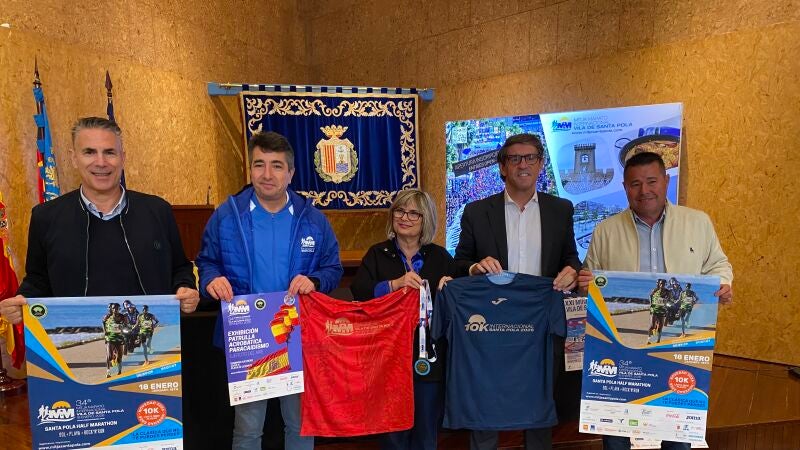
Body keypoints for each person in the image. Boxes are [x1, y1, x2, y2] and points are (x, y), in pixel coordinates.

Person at [196, 131, 343, 450]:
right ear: (250, 170)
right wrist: (211, 279)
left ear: (291, 173)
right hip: (248, 334)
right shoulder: (227, 216)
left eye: (276, 166)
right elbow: (207, 261)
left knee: (300, 424)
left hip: (297, 335)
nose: (267, 174)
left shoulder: (313, 220)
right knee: (248, 428)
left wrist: (315, 281)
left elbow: (333, 268)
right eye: (259, 164)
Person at [578, 151, 733, 450]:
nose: (644, 190)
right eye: (635, 184)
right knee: (616, 429)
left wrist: (723, 283)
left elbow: (718, 265)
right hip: (621, 342)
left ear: (666, 181)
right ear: (625, 187)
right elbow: (591, 278)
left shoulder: (697, 222)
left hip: (680, 342)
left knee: (677, 430)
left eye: (651, 181)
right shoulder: (606, 230)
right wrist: (585, 283)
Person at [0, 116, 199, 325]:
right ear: (74, 158)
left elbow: (180, 268)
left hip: (151, 337)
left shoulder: (158, 211)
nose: (101, 162)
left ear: (122, 157)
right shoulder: (46, 217)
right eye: (89, 152)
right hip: (74, 340)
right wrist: (23, 300)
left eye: (109, 152)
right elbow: (38, 279)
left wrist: (186, 288)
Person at [454, 133, 581, 450]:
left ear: (540, 164)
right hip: (492, 327)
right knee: (486, 406)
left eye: (530, 158)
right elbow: (459, 263)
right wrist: (474, 268)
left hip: (541, 325)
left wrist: (572, 271)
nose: (523, 164)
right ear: (502, 167)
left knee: (540, 407)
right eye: (514, 159)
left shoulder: (560, 209)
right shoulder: (476, 211)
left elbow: (570, 258)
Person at [350, 189, 457, 450]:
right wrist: (393, 285)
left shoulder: (440, 256)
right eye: (399, 210)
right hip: (387, 358)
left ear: (425, 219)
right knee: (392, 435)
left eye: (413, 213)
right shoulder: (378, 253)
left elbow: (456, 301)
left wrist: (450, 287)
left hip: (429, 358)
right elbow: (360, 290)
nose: (404, 217)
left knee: (426, 433)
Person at [102, 302, 128, 377]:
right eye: (113, 308)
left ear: (119, 309)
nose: (115, 310)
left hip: (119, 338)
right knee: (109, 356)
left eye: (117, 308)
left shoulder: (123, 317)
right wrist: (105, 331)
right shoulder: (107, 316)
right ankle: (108, 372)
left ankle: (119, 372)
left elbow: (126, 326)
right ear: (111, 309)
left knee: (119, 357)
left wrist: (123, 329)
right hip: (110, 338)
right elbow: (103, 322)